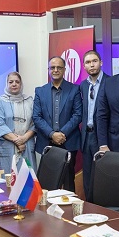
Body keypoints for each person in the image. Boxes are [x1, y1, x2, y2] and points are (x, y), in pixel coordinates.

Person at [32, 56, 83, 191]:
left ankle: (69, 205)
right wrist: (52, 134)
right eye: (52, 67)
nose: (55, 70)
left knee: (68, 181)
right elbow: (36, 117)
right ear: (48, 70)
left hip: (68, 141)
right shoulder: (40, 91)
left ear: (64, 69)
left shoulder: (74, 89)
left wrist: (62, 133)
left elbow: (78, 115)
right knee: (47, 182)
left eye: (59, 67)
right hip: (46, 142)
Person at [79, 50, 109, 199]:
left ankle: (101, 207)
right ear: (84, 66)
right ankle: (88, 205)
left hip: (102, 137)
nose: (91, 65)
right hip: (86, 136)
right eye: (88, 62)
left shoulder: (110, 82)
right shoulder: (83, 86)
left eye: (94, 61)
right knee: (88, 176)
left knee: (103, 176)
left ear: (101, 63)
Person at [0, 72, 36, 173]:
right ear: (7, 84)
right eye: (11, 82)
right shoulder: (0, 102)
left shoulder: (29, 101)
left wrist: (23, 139)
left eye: (17, 82)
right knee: (9, 178)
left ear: (21, 84)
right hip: (8, 145)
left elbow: (35, 123)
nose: (14, 84)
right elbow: (0, 125)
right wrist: (18, 141)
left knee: (28, 178)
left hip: (27, 144)